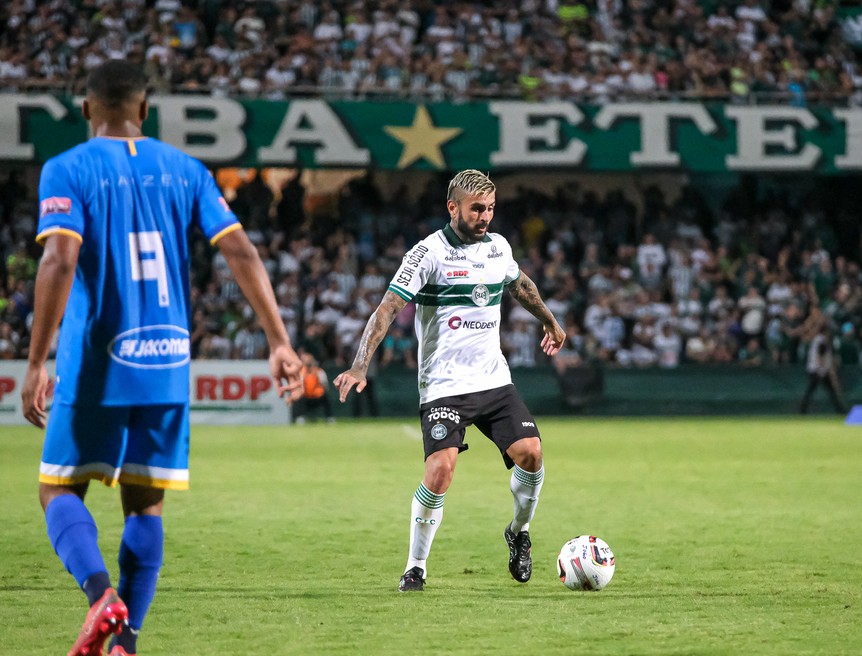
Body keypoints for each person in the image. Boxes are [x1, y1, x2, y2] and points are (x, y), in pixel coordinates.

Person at [20, 60, 303, 655]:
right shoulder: (187, 171)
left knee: (57, 490)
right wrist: (279, 340)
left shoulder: (67, 168)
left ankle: (102, 598)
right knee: (145, 503)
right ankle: (127, 644)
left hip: (98, 362)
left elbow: (60, 261)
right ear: (145, 110)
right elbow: (243, 252)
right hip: (169, 361)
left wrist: (36, 360)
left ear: (85, 110)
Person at [333, 169, 566, 592]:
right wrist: (359, 364)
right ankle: (415, 566)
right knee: (440, 471)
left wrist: (549, 320)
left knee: (531, 454)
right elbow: (386, 309)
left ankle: (519, 531)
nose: (486, 217)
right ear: (452, 207)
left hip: (493, 380)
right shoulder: (426, 255)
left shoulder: (498, 247)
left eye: (491, 208)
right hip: (443, 386)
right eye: (478, 208)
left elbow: (521, 284)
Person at [798, 323, 847, 414]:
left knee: (814, 391)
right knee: (821, 391)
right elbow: (820, 357)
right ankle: (840, 410)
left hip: (815, 369)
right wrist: (823, 371)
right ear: (826, 331)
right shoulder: (822, 340)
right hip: (819, 371)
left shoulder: (817, 339)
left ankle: (840, 410)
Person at [292, 351, 334, 424]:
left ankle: (329, 418)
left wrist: (318, 378)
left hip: (317, 397)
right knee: (298, 397)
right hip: (306, 397)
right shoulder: (301, 372)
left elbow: (325, 385)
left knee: (325, 397)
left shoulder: (319, 371)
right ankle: (300, 417)